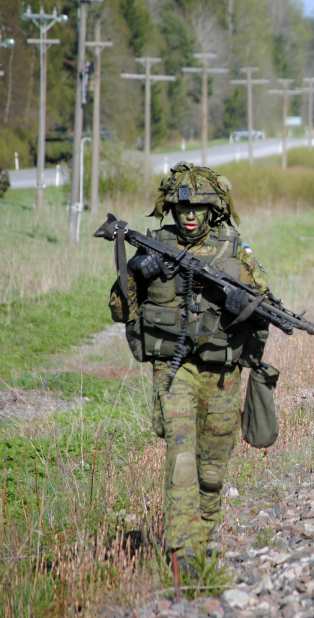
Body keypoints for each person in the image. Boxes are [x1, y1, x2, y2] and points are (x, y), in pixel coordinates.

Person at [107, 163, 271, 570]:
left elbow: (264, 303)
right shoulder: (153, 248)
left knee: (212, 470)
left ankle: (207, 536)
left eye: (198, 207)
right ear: (172, 210)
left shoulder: (234, 249)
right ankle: (182, 553)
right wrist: (134, 273)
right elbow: (117, 309)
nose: (190, 215)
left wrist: (239, 294)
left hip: (221, 374)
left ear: (214, 209)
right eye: (183, 209)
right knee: (181, 457)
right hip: (173, 370)